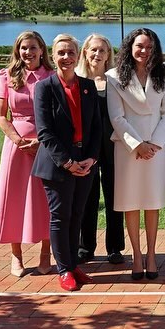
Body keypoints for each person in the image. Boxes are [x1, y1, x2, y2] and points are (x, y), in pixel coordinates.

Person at [32, 34, 102, 291]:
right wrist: (68, 162)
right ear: (53, 55)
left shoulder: (87, 86)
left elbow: (96, 127)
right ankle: (63, 269)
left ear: (78, 55)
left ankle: (73, 264)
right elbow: (44, 132)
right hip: (57, 165)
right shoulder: (44, 88)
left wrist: (91, 158)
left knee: (77, 215)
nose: (66, 57)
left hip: (85, 163)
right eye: (61, 53)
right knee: (60, 217)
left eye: (71, 52)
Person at [106, 28, 165, 280]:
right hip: (127, 149)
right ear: (130, 47)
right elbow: (116, 117)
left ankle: (152, 255)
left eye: (148, 46)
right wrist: (138, 145)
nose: (144, 51)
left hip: (155, 149)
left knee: (152, 202)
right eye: (139, 46)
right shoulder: (114, 77)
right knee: (131, 203)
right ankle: (136, 255)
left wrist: (154, 143)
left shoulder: (163, 75)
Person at [0, 31, 53, 277]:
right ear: (18, 50)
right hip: (15, 147)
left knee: (47, 200)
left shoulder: (51, 76)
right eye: (24, 48)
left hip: (46, 145)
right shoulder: (6, 76)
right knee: (14, 199)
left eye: (33, 47)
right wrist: (17, 139)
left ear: (42, 50)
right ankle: (15, 256)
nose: (28, 52)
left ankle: (46, 253)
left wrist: (42, 140)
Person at [76, 34, 125, 265]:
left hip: (113, 146)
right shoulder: (76, 79)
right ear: (85, 52)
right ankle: (86, 247)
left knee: (115, 197)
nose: (97, 54)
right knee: (88, 197)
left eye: (102, 50)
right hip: (86, 149)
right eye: (93, 49)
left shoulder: (115, 80)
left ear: (109, 54)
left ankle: (115, 247)